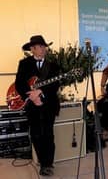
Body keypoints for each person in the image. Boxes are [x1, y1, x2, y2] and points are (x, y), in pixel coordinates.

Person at [15, 35, 60, 176]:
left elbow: (55, 85)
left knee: (48, 134)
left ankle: (48, 164)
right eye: (39, 47)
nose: (43, 49)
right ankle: (42, 161)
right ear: (32, 49)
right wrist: (31, 97)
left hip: (49, 104)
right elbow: (19, 83)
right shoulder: (24, 63)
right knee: (35, 134)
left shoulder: (53, 66)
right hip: (31, 105)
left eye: (44, 46)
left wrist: (40, 92)